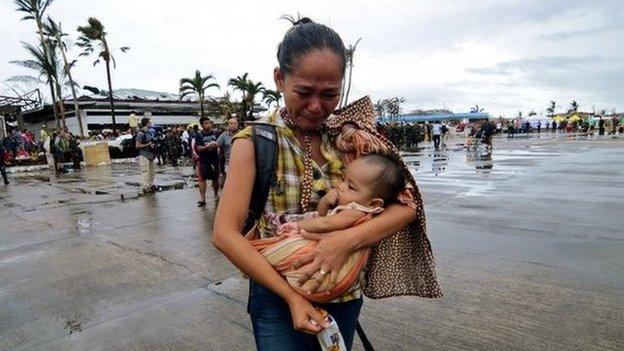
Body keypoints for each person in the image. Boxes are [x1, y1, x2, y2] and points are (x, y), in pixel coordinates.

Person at [212, 17, 440, 351]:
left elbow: (406, 206)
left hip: (344, 293)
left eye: (330, 94)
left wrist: (345, 241)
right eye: (303, 92)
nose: (317, 106)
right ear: (279, 78)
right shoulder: (254, 143)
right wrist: (291, 297)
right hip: (277, 296)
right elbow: (224, 234)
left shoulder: (352, 139)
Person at [251, 153, 405, 302]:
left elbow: (325, 223)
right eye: (344, 180)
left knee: (264, 252)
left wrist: (297, 225)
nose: (341, 187)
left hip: (323, 275)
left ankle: (253, 262)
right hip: (327, 278)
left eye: (351, 187)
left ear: (375, 204)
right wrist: (324, 202)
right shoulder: (354, 207)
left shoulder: (356, 212)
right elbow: (322, 217)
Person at [194, 117, 219, 206]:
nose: (208, 124)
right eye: (206, 123)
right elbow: (198, 147)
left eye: (209, 122)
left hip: (214, 159)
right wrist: (207, 147)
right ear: (202, 125)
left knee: (215, 178)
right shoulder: (199, 135)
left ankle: (216, 195)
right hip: (204, 160)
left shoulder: (215, 133)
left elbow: (219, 143)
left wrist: (216, 145)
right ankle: (203, 198)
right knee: (202, 179)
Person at [135, 117, 156, 193]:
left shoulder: (148, 132)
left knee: (151, 172)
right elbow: (137, 146)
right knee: (145, 172)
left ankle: (150, 185)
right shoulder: (141, 133)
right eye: (149, 122)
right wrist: (147, 145)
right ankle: (145, 187)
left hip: (150, 155)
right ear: (147, 123)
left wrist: (151, 145)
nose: (150, 123)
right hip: (144, 155)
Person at [216, 117, 239, 185]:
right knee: (229, 183)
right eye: (231, 123)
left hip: (241, 164)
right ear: (228, 125)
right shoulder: (224, 135)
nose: (233, 125)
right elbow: (217, 144)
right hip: (229, 163)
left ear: (238, 124)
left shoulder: (242, 134)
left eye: (235, 123)